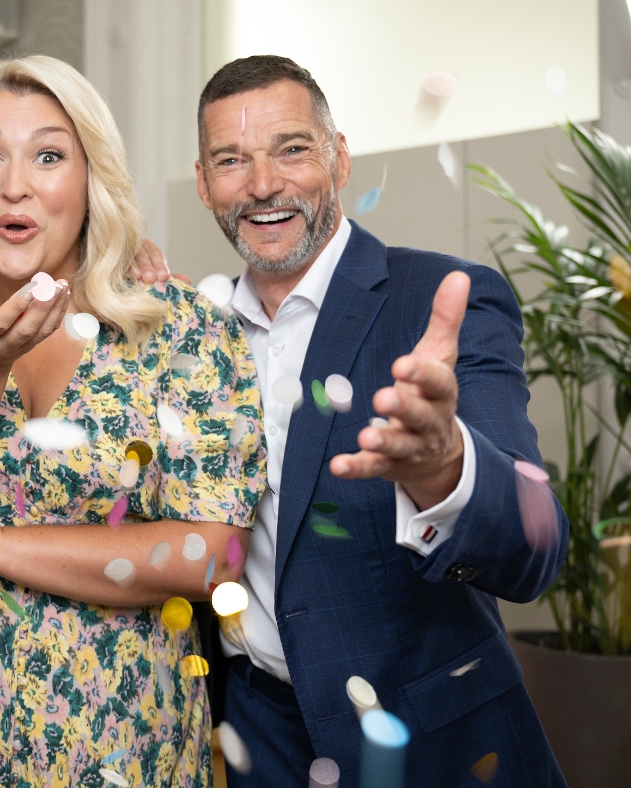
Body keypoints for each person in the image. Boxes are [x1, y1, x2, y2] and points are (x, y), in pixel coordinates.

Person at [130, 55, 569, 787]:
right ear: (203, 183)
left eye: (291, 149)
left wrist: (444, 469)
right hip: (257, 737)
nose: (263, 184)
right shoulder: (193, 332)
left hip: (432, 746)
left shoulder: (439, 299)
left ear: (338, 158)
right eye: (231, 160)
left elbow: (535, 546)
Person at [0, 55, 268, 787]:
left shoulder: (183, 328)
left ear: (90, 176)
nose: (15, 185)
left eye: (48, 155)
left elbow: (213, 555)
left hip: (134, 745)